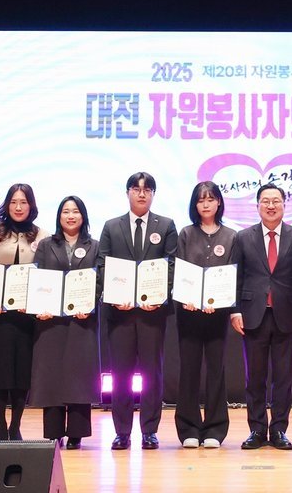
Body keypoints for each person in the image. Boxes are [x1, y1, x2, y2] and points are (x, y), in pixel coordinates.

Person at [96, 172, 178, 450]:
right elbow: (103, 264)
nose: (141, 194)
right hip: (119, 313)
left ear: (153, 194)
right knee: (120, 374)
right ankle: (122, 431)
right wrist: (113, 296)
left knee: (152, 373)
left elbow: (171, 265)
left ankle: (149, 431)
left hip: (152, 313)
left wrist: (160, 296)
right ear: (128, 193)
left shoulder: (166, 225)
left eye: (147, 189)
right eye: (136, 189)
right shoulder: (112, 226)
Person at [231, 183, 292, 450]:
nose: (271, 205)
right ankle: (256, 430)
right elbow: (236, 276)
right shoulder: (243, 237)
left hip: (286, 315)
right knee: (255, 378)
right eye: (265, 201)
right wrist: (235, 310)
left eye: (276, 201)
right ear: (257, 206)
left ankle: (278, 430)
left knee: (283, 378)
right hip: (253, 315)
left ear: (284, 205)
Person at [0, 183, 49, 440]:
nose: (18, 207)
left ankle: (15, 425)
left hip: (26, 315)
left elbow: (45, 273)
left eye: (24, 202)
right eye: (14, 202)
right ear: (7, 205)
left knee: (21, 372)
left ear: (31, 205)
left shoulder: (42, 234)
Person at [31, 195, 101, 449]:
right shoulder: (46, 245)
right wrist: (39, 306)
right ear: (59, 216)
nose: (70, 216)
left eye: (75, 211)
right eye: (65, 212)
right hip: (51, 321)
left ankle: (76, 433)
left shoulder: (95, 246)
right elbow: (37, 278)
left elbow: (100, 280)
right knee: (52, 374)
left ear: (83, 216)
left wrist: (89, 304)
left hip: (82, 320)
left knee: (79, 375)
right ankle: (54, 431)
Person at [173, 181, 237, 449]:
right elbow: (179, 270)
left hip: (217, 314)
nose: (206, 204)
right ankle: (188, 427)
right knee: (189, 369)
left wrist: (220, 302)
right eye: (201, 200)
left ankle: (214, 428)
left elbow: (233, 274)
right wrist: (186, 297)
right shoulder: (186, 234)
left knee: (216, 370)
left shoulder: (231, 236)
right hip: (188, 313)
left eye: (211, 199)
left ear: (219, 202)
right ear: (195, 205)